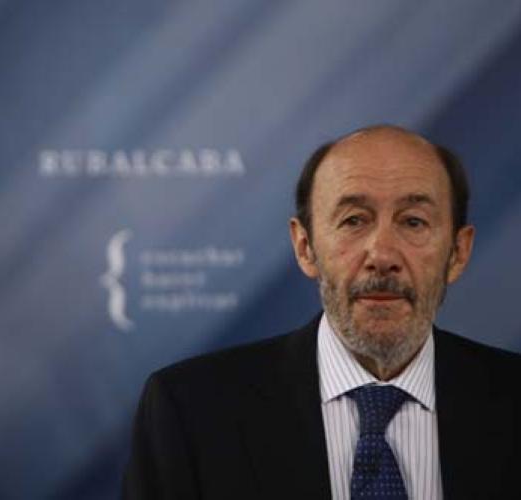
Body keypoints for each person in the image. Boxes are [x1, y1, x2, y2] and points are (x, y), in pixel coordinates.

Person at [122, 125, 521, 499]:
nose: (382, 255)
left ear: (458, 252)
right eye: (354, 221)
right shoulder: (193, 411)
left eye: (414, 222)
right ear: (305, 247)